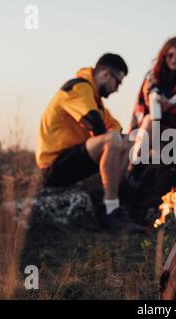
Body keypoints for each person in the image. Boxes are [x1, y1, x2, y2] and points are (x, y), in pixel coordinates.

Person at [35, 53, 139, 232]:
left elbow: (117, 127)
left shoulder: (94, 99)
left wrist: (121, 138)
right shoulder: (77, 88)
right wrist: (114, 137)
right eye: (118, 82)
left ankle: (111, 200)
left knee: (127, 141)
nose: (117, 89)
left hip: (71, 161)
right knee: (113, 141)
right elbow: (96, 124)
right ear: (105, 74)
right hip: (52, 167)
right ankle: (109, 210)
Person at [123, 37, 176, 222]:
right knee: (151, 119)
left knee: (162, 151)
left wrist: (166, 106)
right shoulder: (153, 75)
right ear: (163, 56)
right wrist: (161, 105)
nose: (173, 60)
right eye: (170, 55)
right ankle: (133, 170)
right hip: (149, 129)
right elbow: (148, 104)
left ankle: (140, 182)